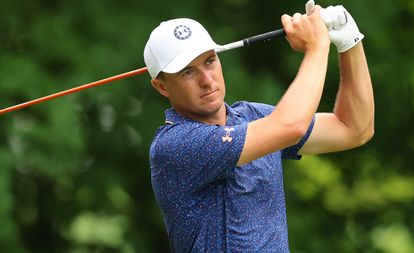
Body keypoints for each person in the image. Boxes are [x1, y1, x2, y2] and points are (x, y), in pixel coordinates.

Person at [143, 3, 374, 252]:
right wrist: (317, 46)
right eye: (188, 72)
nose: (207, 80)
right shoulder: (175, 144)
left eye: (210, 61)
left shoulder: (253, 117)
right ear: (162, 87)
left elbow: (354, 128)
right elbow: (290, 126)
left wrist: (350, 43)